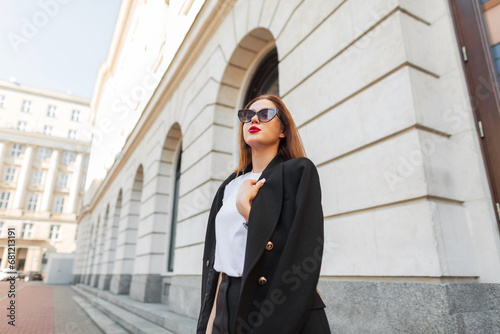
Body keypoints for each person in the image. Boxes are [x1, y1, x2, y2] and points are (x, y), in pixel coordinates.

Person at [197, 94, 330, 334]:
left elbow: (300, 253)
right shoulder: (227, 187)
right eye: (247, 115)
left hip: (276, 303)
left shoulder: (298, 173)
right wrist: (209, 323)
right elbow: (220, 266)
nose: (254, 119)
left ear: (283, 130)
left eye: (266, 114)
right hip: (226, 303)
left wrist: (247, 211)